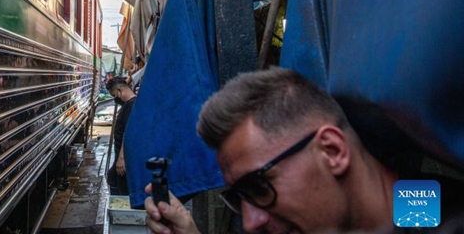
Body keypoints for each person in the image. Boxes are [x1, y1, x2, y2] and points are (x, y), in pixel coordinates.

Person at [144, 68, 464, 234]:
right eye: (241, 197)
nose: (252, 222)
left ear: (332, 151)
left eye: (259, 186)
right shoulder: (411, 199)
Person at [107, 77, 137, 195]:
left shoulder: (131, 106)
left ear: (120, 91)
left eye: (115, 95)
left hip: (125, 158)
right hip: (123, 156)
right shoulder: (129, 104)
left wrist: (121, 158)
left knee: (121, 189)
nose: (115, 99)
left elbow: (129, 132)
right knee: (113, 179)